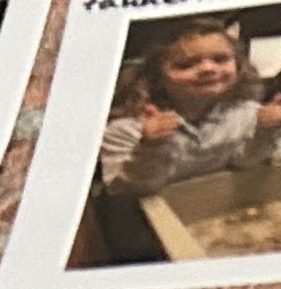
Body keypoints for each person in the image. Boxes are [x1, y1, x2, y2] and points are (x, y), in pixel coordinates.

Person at [96, 22, 264, 194]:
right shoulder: (125, 129)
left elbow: (246, 164)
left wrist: (266, 132)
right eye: (185, 64)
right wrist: (150, 147)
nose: (208, 68)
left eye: (221, 59)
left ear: (239, 65)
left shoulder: (249, 114)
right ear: (157, 77)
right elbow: (124, 191)